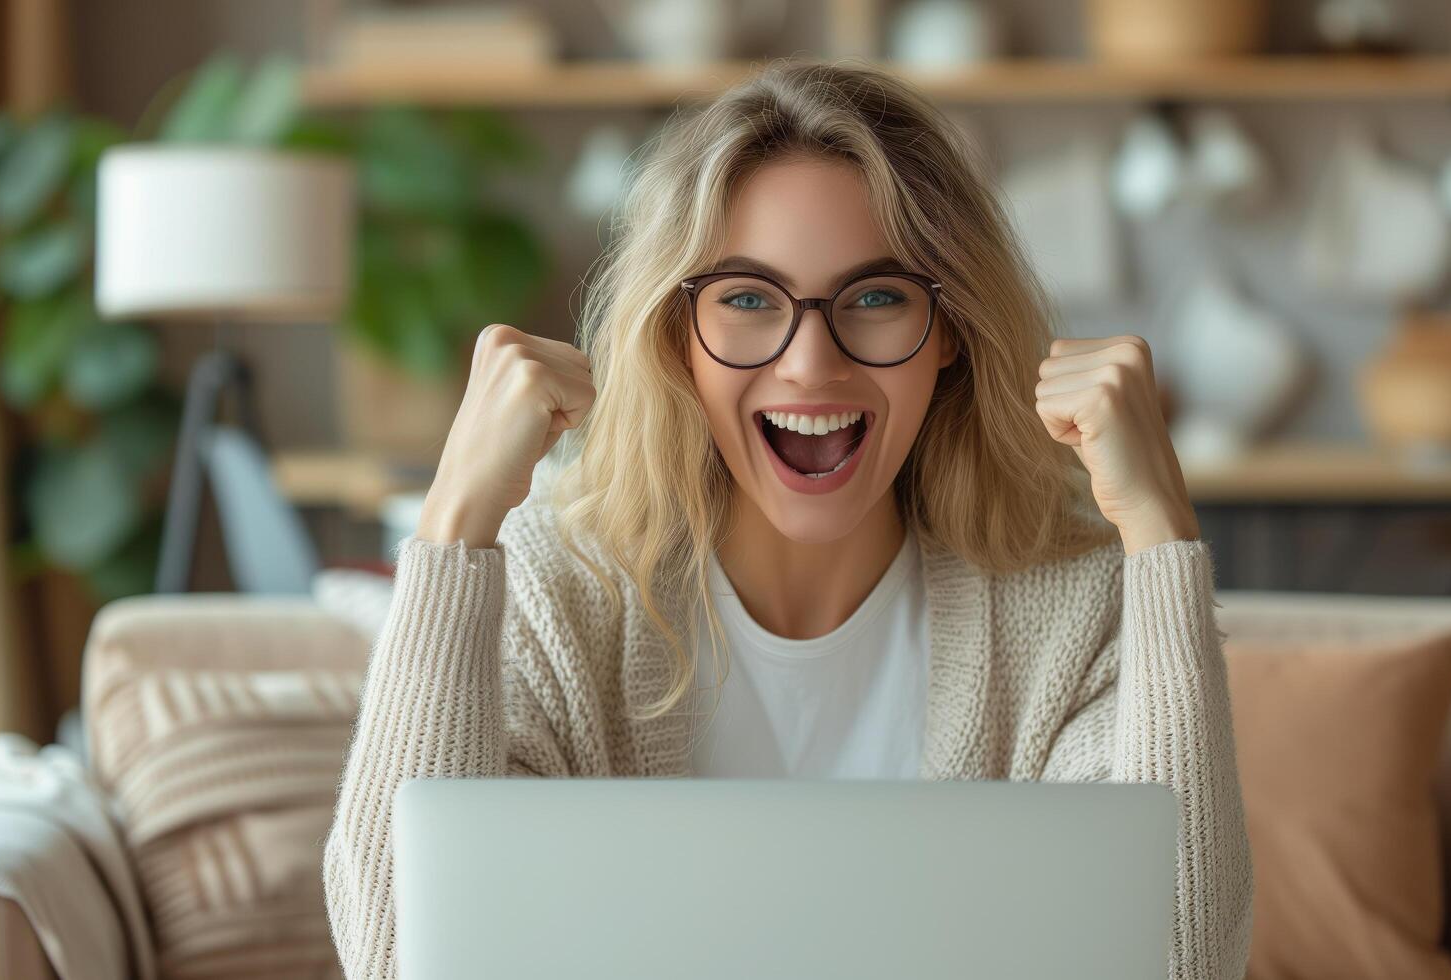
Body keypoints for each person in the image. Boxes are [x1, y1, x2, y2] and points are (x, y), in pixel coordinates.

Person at [323, 58, 1253, 980]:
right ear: (676, 338)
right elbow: (397, 959)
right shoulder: (562, 588)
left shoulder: (1069, 606)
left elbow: (1179, 964)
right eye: (746, 299)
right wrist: (453, 526)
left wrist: (1159, 534)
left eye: (879, 297)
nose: (810, 365)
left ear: (953, 333)